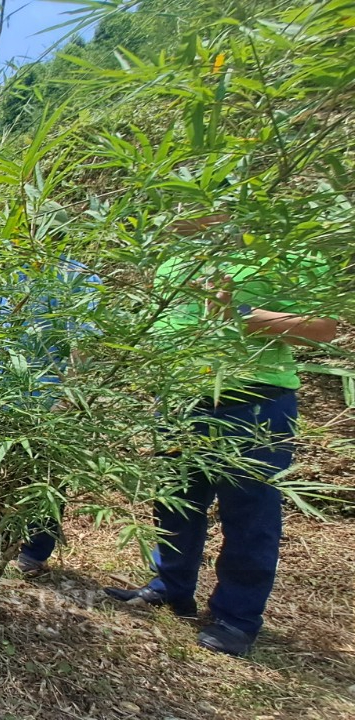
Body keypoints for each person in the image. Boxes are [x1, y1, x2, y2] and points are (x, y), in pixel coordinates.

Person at [106, 220, 337, 657]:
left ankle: (236, 617)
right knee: (175, 502)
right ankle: (171, 588)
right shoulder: (175, 259)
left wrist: (240, 312)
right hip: (180, 403)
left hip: (254, 403)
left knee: (249, 513)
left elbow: (325, 327)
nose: (177, 210)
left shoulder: (285, 250)